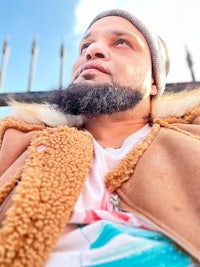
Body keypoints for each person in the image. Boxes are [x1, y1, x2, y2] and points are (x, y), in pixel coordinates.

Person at [0, 8, 200, 267]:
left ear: (154, 81)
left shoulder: (192, 137)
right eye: (86, 45)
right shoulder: (13, 141)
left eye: (121, 42)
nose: (91, 51)